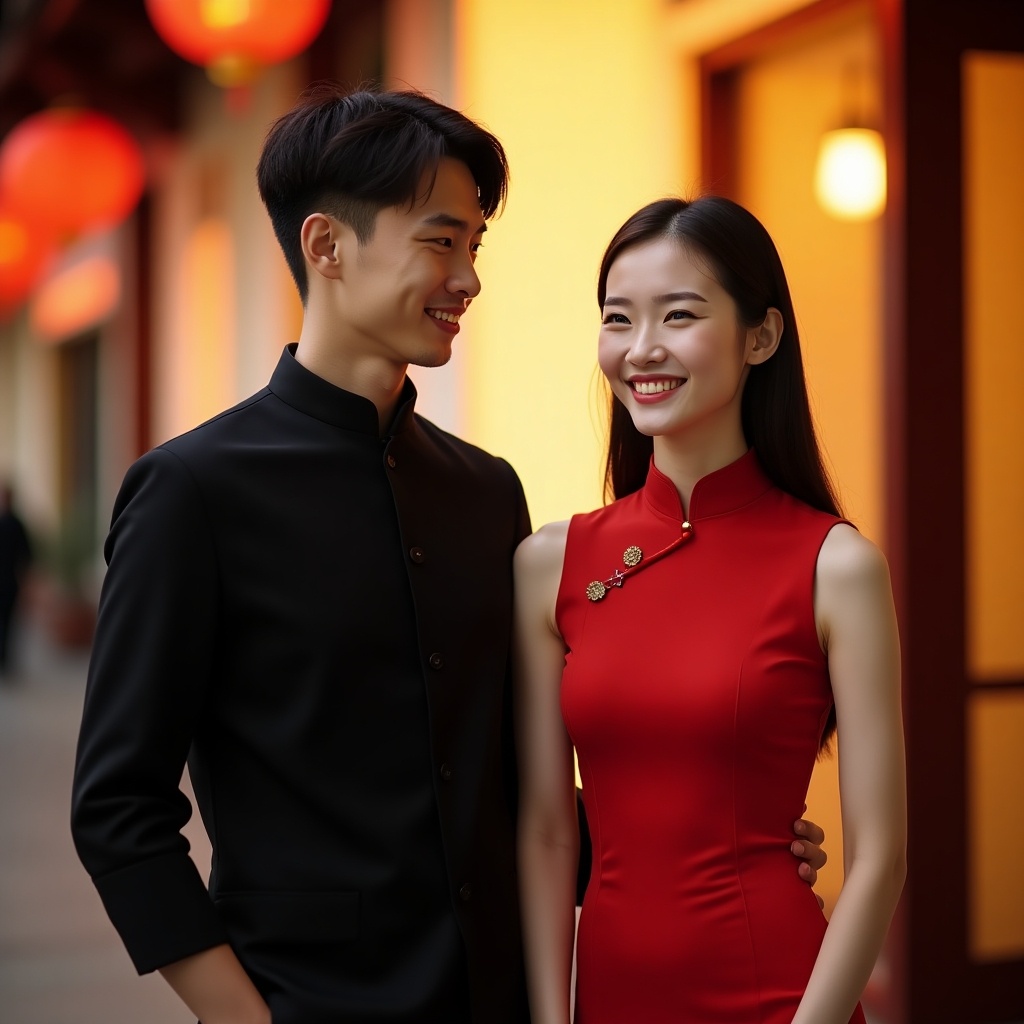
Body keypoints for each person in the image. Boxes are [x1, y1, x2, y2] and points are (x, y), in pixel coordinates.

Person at [71, 88, 830, 1024]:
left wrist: (723, 837)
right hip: (313, 1000)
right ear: (327, 247)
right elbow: (118, 810)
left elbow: (507, 780)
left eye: (475, 246)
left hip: (500, 998)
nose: (468, 278)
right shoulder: (192, 492)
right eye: (440, 241)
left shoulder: (486, 493)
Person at [514, 196, 907, 1024]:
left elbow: (879, 858)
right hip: (611, 996)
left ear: (761, 337)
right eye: (618, 319)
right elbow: (548, 830)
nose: (641, 348)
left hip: (781, 998)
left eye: (679, 315)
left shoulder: (836, 565)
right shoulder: (551, 563)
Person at [0, 481, 33, 679]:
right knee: (8, 622)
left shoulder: (14, 524)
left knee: (8, 622)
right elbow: (27, 555)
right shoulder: (17, 524)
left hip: (9, 581)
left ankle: (5, 658)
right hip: (10, 581)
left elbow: (26, 555)